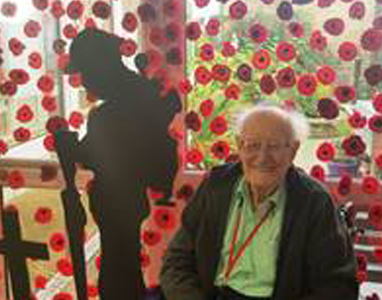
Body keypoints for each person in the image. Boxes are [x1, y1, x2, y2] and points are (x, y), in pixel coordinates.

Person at [160, 106, 359, 300]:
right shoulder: (215, 186)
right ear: (239, 145)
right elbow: (176, 262)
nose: (263, 158)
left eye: (274, 146)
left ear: (293, 150)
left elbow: (338, 286)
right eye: (253, 145)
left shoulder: (315, 202)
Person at [65, 28, 181, 300]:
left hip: (117, 206)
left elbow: (96, 155)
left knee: (117, 275)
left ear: (98, 69)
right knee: (124, 269)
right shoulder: (139, 97)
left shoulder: (108, 115)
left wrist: (70, 146)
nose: (83, 82)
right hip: (129, 202)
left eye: (85, 73)